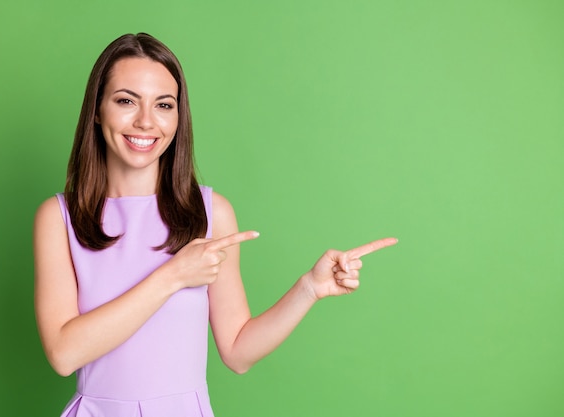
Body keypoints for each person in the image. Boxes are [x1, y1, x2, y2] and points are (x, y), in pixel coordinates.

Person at [33, 32, 397, 417]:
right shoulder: (59, 218)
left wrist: (308, 288)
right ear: (96, 109)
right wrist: (173, 275)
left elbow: (238, 352)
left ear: (178, 116)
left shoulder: (211, 213)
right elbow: (63, 353)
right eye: (126, 101)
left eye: (164, 105)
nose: (145, 121)